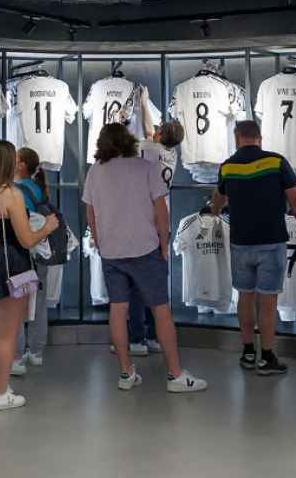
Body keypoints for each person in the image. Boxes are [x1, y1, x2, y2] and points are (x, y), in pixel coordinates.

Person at [83, 123, 207, 393]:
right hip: (144, 248)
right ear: (128, 140)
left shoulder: (95, 171)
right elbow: (161, 211)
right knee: (161, 311)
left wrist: (100, 241)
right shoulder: (146, 167)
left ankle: (126, 373)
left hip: (112, 251)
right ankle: (175, 375)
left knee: (118, 309)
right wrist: (163, 244)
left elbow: (90, 213)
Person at [212, 120, 296, 376]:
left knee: (245, 296)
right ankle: (267, 358)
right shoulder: (276, 162)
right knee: (268, 301)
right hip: (271, 241)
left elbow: (217, 200)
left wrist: (215, 212)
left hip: (240, 242)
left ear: (238, 137)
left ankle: (247, 352)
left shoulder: (228, 166)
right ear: (260, 136)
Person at [0, 140, 59, 411]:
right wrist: (48, 227)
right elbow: (27, 238)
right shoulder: (12, 195)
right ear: (9, 163)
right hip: (10, 267)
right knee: (8, 334)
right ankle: (1, 393)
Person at [122, 120, 186, 355]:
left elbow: (129, 144)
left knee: (136, 284)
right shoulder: (171, 154)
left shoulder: (147, 148)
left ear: (159, 134)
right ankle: (153, 336)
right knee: (155, 282)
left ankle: (136, 339)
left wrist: (122, 121)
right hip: (162, 220)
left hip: (142, 219)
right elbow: (151, 138)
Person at [12, 147, 53, 376]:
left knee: (18, 303)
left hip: (24, 254)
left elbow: (21, 226)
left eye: (15, 159)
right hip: (41, 254)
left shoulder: (17, 192)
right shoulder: (37, 189)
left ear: (22, 165)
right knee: (39, 303)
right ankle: (36, 351)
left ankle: (16, 355)